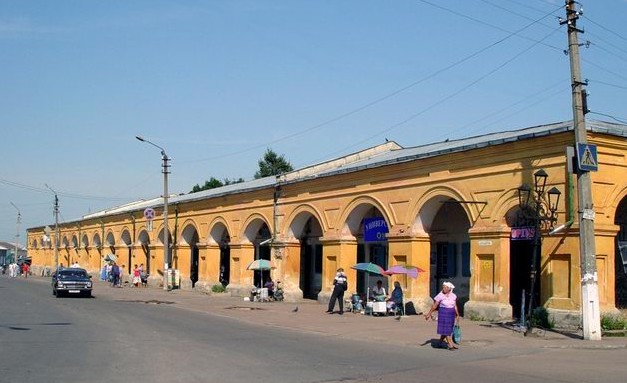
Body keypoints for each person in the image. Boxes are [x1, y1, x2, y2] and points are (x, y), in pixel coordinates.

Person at [425, 281, 460, 350]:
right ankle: (450, 345)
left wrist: (457, 314)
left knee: (448, 329)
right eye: (443, 287)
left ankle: (440, 343)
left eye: (446, 287)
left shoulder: (453, 296)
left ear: (449, 289)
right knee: (446, 329)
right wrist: (429, 314)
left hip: (451, 313)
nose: (444, 288)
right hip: (443, 313)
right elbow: (435, 305)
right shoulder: (440, 295)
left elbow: (455, 305)